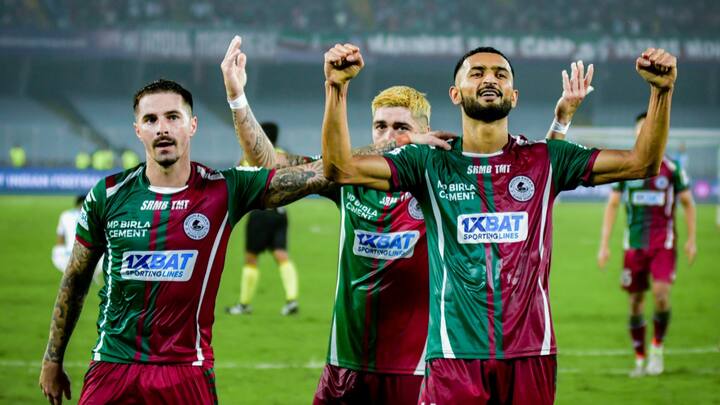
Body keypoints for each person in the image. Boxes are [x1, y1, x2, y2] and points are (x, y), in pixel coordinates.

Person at [220, 35, 591, 404]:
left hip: (415, 371)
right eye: (380, 126)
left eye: (401, 128)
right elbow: (269, 165)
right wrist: (238, 98)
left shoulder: (440, 179)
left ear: (425, 132)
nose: (389, 135)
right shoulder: (349, 181)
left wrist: (559, 124)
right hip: (344, 366)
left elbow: (524, 184)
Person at [320, 43, 676, 404]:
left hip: (530, 357)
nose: (489, 79)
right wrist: (337, 87)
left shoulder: (546, 159)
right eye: (477, 73)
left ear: (514, 96)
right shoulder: (428, 162)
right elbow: (340, 168)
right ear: (455, 94)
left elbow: (643, 163)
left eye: (500, 74)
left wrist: (661, 92)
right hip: (452, 358)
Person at [38, 78, 331, 405]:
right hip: (112, 367)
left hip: (186, 372)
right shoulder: (107, 195)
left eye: (173, 117)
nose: (162, 128)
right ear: (138, 130)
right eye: (151, 119)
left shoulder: (225, 189)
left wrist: (335, 90)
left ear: (192, 125)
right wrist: (52, 358)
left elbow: (325, 173)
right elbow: (75, 277)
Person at [597, 112, 697, 377]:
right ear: (635, 134)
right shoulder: (626, 168)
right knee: (635, 303)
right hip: (634, 247)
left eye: (650, 128)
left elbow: (688, 203)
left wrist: (692, 240)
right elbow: (612, 205)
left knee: (662, 295)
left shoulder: (672, 169)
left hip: (664, 244)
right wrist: (604, 244)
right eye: (641, 129)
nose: (645, 133)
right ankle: (640, 359)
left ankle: (657, 349)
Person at [226, 122, 302, 316]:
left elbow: (237, 179)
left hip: (260, 213)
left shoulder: (251, 156)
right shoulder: (284, 155)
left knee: (251, 258)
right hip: (280, 213)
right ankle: (292, 300)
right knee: (281, 255)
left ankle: (244, 304)